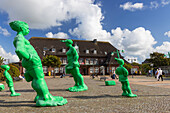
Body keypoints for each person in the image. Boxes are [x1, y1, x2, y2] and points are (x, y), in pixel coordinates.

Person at [9, 20, 67, 106]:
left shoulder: (18, 38)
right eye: (27, 28)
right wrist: (31, 58)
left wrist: (24, 59)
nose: (28, 30)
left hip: (28, 61)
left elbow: (19, 52)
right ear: (21, 28)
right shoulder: (20, 37)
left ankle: (39, 95)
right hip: (32, 61)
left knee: (35, 78)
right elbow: (19, 50)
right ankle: (46, 97)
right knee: (39, 78)